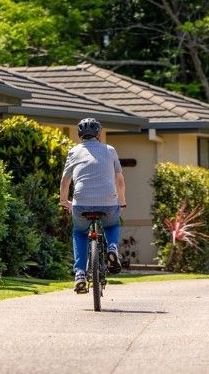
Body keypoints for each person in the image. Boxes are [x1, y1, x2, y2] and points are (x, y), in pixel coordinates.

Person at [59, 117, 127, 294]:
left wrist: (64, 201)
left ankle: (80, 274)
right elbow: (119, 180)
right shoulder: (110, 150)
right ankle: (112, 247)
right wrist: (122, 201)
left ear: (80, 135)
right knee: (112, 224)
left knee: (79, 233)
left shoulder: (74, 151)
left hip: (80, 202)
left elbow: (65, 181)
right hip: (108, 201)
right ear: (99, 134)